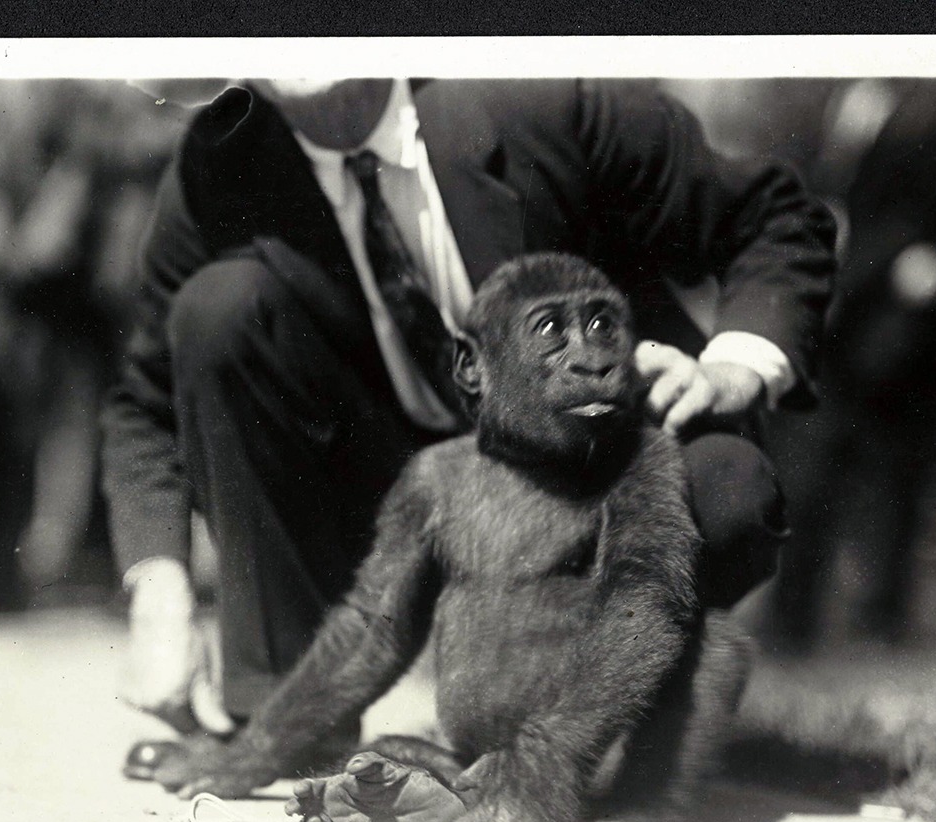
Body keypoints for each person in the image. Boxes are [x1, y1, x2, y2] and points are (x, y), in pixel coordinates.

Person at [100, 78, 836, 776]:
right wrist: (159, 592)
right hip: (389, 480)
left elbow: (774, 218)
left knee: (724, 490)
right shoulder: (221, 157)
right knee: (220, 307)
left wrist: (730, 368)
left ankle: (635, 728)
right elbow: (147, 399)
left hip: (596, 460)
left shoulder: (535, 102)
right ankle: (284, 720)